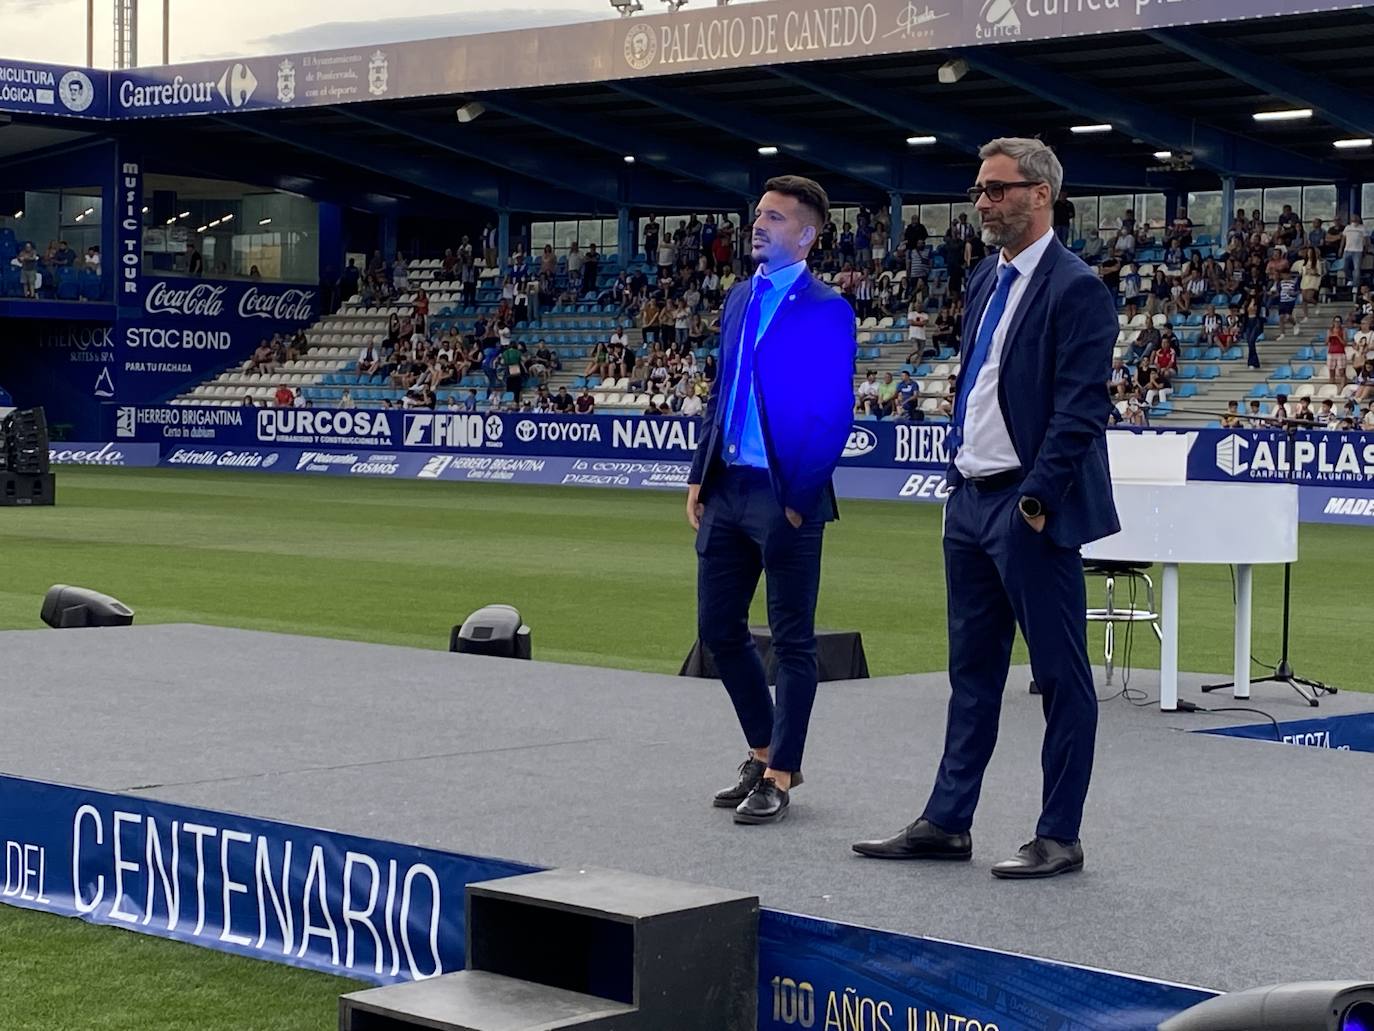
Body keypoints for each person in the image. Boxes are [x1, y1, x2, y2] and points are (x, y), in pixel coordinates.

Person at [852, 138, 1119, 879]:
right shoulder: (982, 281)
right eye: (978, 190)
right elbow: (979, 386)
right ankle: (947, 820)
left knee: (1060, 676)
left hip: (1026, 507)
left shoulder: (1077, 287)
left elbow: (1081, 408)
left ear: (1040, 194)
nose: (982, 203)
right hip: (969, 502)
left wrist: (1037, 497)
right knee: (971, 675)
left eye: (996, 189)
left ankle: (1058, 832)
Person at [687, 175, 856, 826]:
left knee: (791, 642)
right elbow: (720, 392)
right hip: (728, 486)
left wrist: (798, 497)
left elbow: (832, 412)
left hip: (786, 495)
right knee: (717, 630)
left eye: (777, 217)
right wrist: (700, 474)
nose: (760, 225)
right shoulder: (737, 299)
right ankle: (763, 748)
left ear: (808, 234)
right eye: (759, 214)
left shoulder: (825, 307)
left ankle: (781, 773)